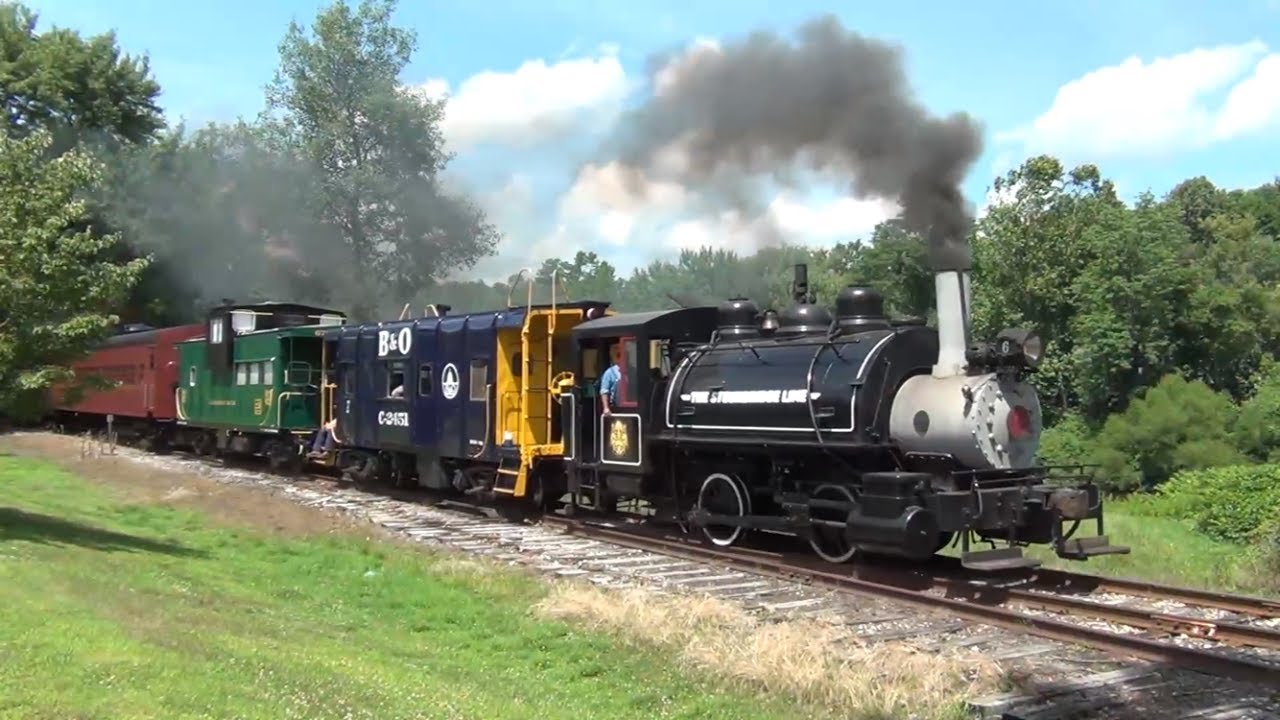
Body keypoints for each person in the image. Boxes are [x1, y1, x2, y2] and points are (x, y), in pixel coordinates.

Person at [599, 342, 622, 416]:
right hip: (615, 408)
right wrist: (606, 408)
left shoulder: (632, 370)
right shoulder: (609, 372)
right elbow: (604, 391)